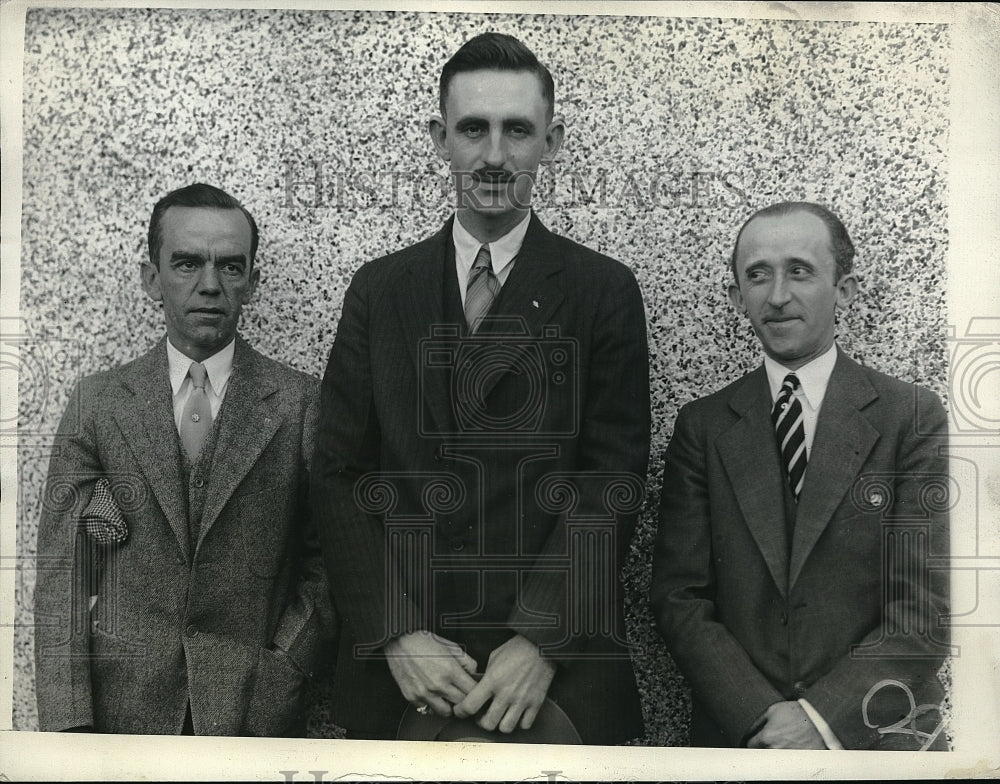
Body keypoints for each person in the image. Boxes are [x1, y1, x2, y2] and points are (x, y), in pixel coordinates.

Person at [312, 32, 650, 744]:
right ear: (441, 139)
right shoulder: (380, 290)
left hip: (557, 673)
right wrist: (396, 632)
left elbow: (611, 476)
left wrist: (540, 641)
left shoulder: (602, 291)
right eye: (473, 129)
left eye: (517, 130)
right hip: (404, 670)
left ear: (551, 142)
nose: (494, 156)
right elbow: (339, 474)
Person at [651, 201, 951, 750]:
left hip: (878, 734)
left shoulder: (909, 417)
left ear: (845, 289)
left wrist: (822, 720)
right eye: (757, 275)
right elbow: (679, 597)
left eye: (800, 271)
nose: (778, 295)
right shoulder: (704, 426)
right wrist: (762, 717)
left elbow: (924, 607)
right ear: (737, 297)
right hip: (742, 738)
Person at [34, 183, 331, 735]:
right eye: (188, 263)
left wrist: (285, 667)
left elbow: (326, 564)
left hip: (254, 711)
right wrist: (67, 728)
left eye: (231, 267)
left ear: (253, 282)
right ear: (153, 279)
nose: (210, 286)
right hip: (122, 717)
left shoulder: (300, 404)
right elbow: (64, 577)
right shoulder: (97, 404)